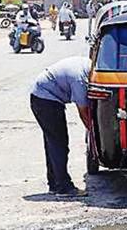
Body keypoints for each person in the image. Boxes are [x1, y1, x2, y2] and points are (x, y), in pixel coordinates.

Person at [30, 56, 91, 197]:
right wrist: (92, 131)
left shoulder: (85, 64)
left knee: (52, 144)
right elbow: (83, 110)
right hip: (46, 101)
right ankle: (64, 188)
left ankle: (54, 184)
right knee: (59, 144)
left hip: (40, 97)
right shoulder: (80, 79)